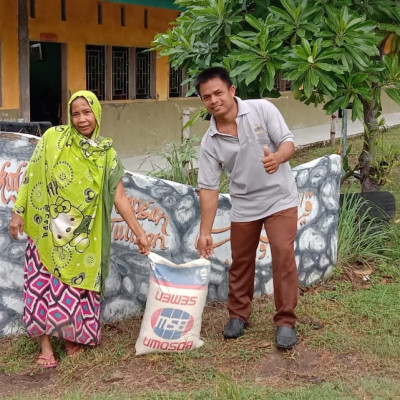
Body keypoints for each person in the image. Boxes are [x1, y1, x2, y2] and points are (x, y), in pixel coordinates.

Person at [8, 90, 150, 368]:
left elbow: (119, 197)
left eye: (87, 112)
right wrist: (18, 211)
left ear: (97, 113)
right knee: (43, 287)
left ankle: (72, 338)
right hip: (47, 231)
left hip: (82, 238)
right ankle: (46, 346)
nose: (82, 119)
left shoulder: (106, 155)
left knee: (73, 289)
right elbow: (31, 176)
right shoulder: (52, 140)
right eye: (76, 113)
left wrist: (140, 232)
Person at [195, 67, 299, 350]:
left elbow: (288, 142)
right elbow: (209, 188)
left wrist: (277, 157)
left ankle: (286, 321)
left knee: (282, 252)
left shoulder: (261, 109)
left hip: (280, 198)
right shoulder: (210, 141)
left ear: (232, 90)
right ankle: (238, 315)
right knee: (240, 260)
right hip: (244, 203)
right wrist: (205, 231)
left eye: (218, 92)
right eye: (207, 97)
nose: (214, 100)